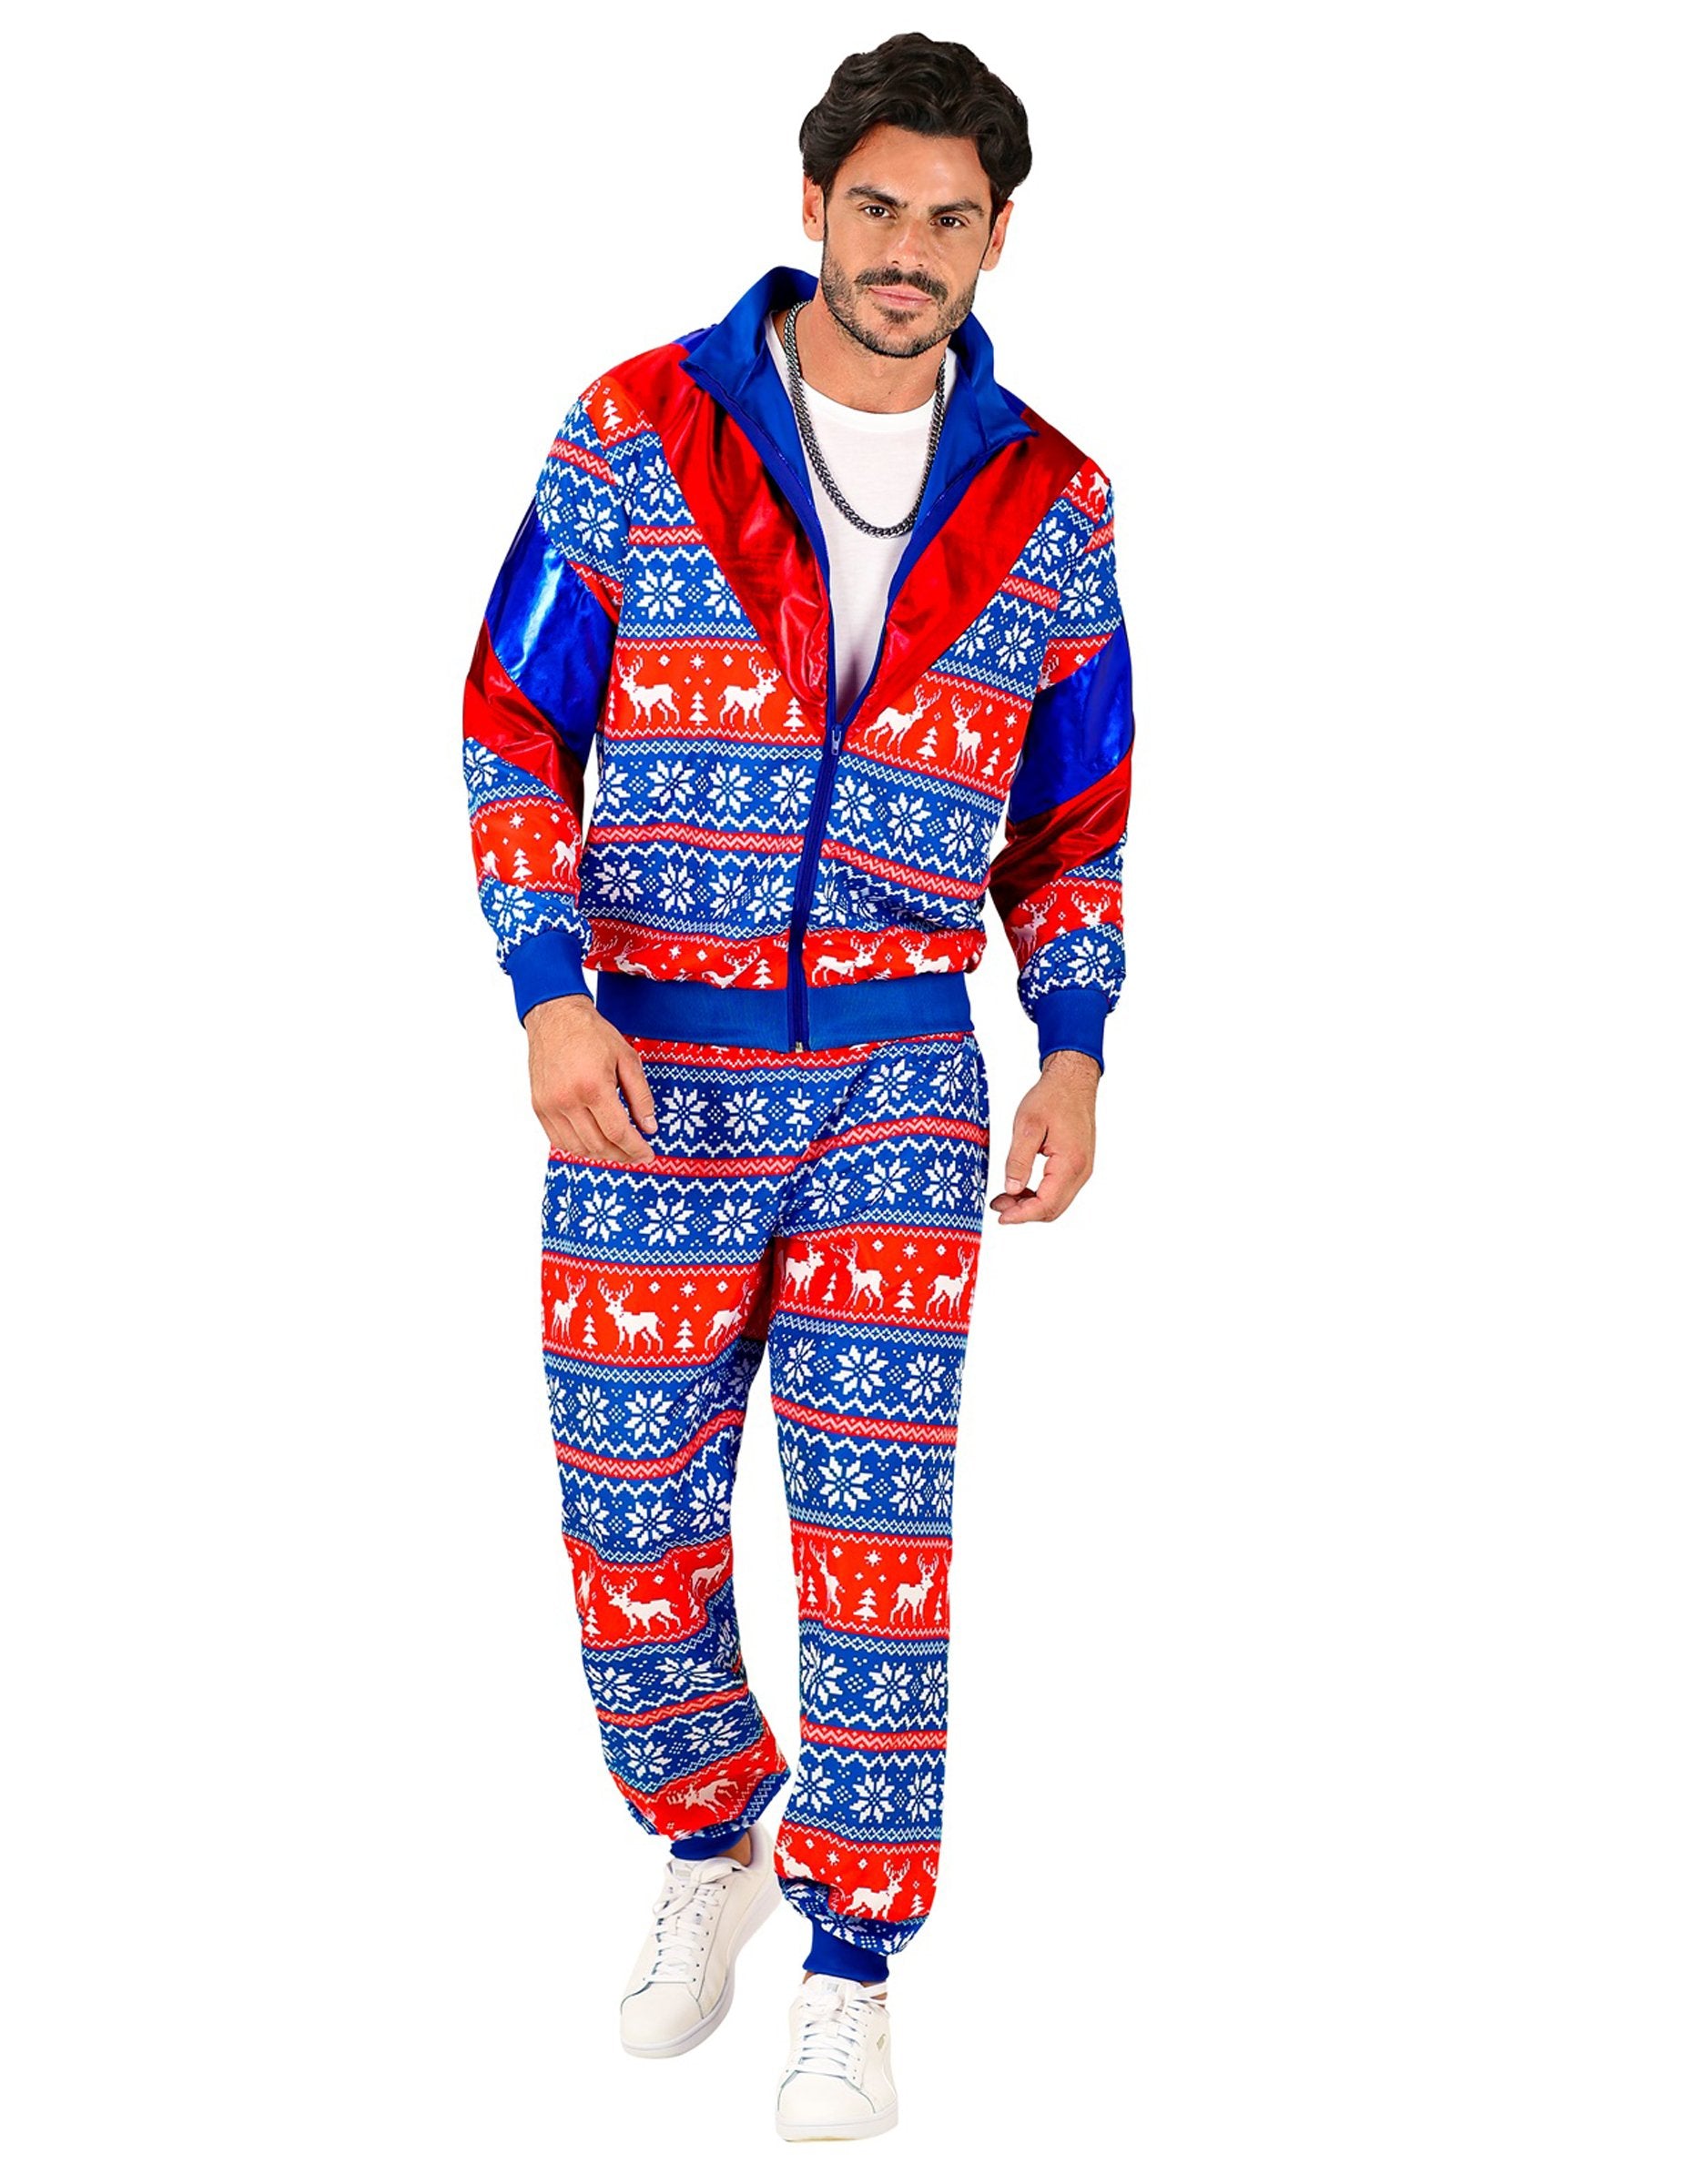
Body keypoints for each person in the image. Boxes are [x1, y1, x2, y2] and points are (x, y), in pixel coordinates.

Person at [461, 31, 1134, 2143]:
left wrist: (1075, 1044)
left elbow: (1077, 818)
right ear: (813, 205)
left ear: (996, 238)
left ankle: (851, 1960)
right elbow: (509, 725)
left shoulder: (1050, 506)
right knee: (627, 1505)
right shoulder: (636, 430)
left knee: (871, 1527)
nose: (908, 248)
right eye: (877, 206)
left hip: (898, 1082)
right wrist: (548, 992)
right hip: (645, 1071)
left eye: (951, 217)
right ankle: (713, 1834)